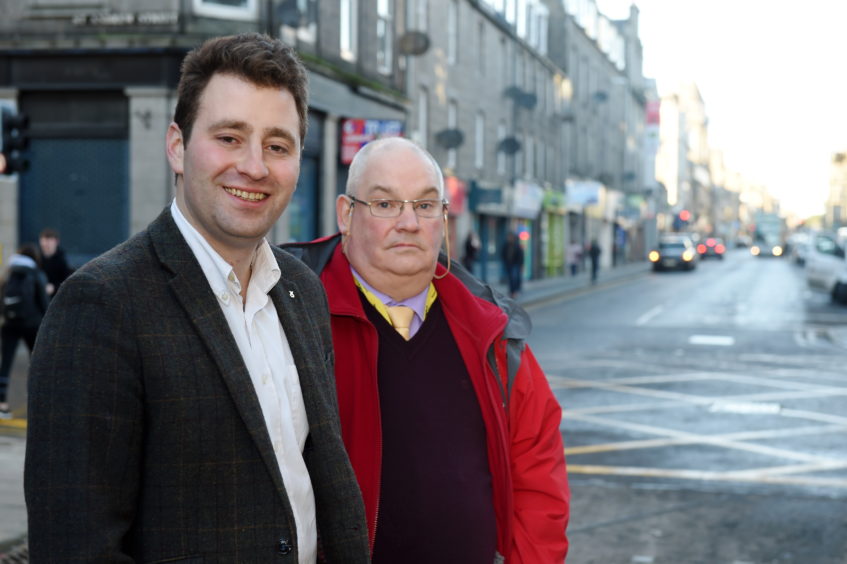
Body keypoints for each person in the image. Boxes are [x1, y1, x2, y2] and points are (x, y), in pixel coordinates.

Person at [24, 33, 369, 563]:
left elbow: (319, 484)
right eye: (229, 137)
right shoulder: (100, 305)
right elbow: (76, 545)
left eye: (278, 146)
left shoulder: (301, 290)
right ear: (177, 146)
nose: (255, 166)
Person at [283, 137, 569, 563]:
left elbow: (538, 479)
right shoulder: (291, 315)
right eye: (385, 204)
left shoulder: (491, 332)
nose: (409, 222)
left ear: (443, 219)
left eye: (425, 205)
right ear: (347, 213)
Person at [0, 243, 49, 418]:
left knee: (5, 363)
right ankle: (36, 402)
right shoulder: (36, 273)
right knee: (35, 363)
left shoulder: (8, 272)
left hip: (10, 324)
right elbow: (43, 302)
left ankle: (2, 405)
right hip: (32, 324)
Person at [38, 227, 73, 297]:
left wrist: (54, 287)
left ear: (56, 242)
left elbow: (66, 281)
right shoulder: (37, 258)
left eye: (49, 241)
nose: (45, 244)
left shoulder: (62, 260)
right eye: (44, 241)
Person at [502, 231, 525, 298]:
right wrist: (505, 261)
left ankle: (515, 291)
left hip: (516, 264)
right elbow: (503, 253)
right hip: (509, 264)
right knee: (511, 278)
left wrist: (521, 265)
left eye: (510, 237)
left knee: (515, 278)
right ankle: (511, 291)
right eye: (508, 237)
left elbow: (521, 255)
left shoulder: (517, 245)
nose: (509, 238)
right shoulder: (506, 245)